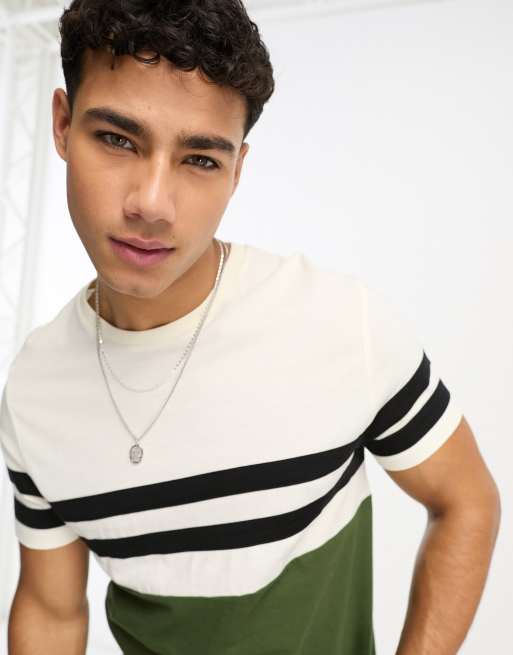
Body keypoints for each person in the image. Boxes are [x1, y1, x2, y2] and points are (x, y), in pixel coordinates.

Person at [0, 1, 501, 654]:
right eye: (119, 140)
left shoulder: (337, 323)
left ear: (236, 169)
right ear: (63, 126)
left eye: (200, 160)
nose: (151, 203)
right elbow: (51, 610)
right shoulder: (35, 389)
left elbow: (467, 501)